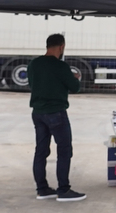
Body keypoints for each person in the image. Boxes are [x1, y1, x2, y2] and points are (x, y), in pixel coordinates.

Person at [27, 34, 85, 202]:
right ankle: (63, 190)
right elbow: (74, 88)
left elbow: (34, 84)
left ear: (47, 46)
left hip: (37, 113)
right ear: (61, 47)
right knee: (64, 150)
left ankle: (42, 188)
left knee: (41, 150)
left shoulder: (34, 64)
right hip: (56, 112)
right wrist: (75, 79)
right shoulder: (61, 66)